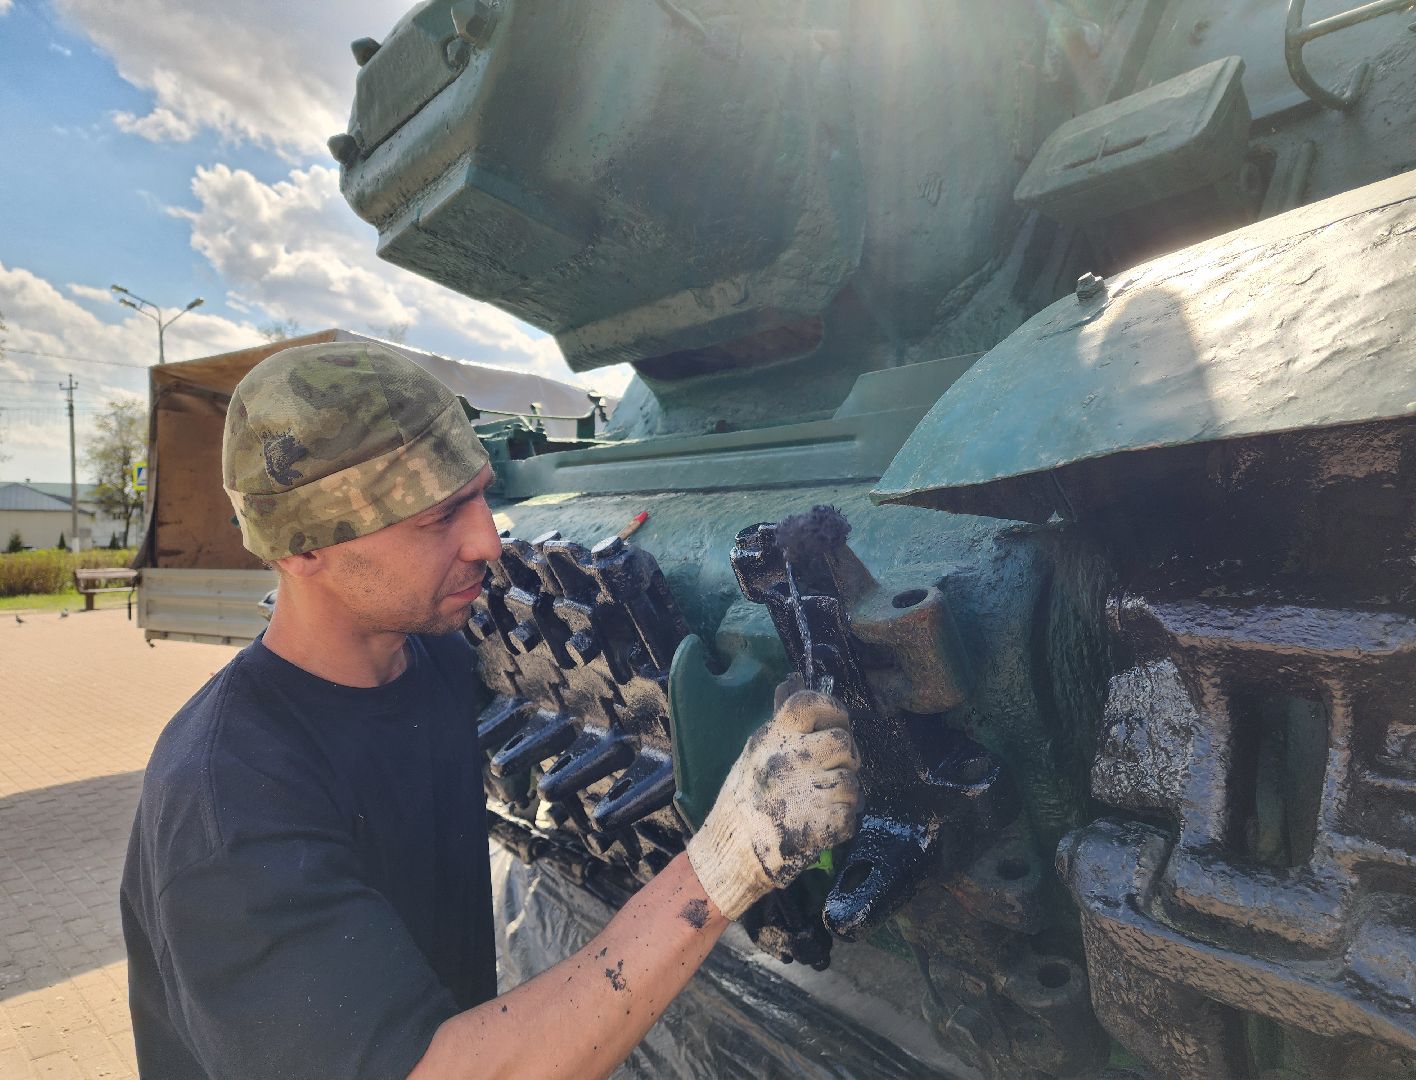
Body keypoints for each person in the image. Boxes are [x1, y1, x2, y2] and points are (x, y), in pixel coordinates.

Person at [120, 342, 862, 1080]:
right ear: (304, 548)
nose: (486, 541)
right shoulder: (227, 804)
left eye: (481, 496)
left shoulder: (432, 662)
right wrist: (725, 864)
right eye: (438, 517)